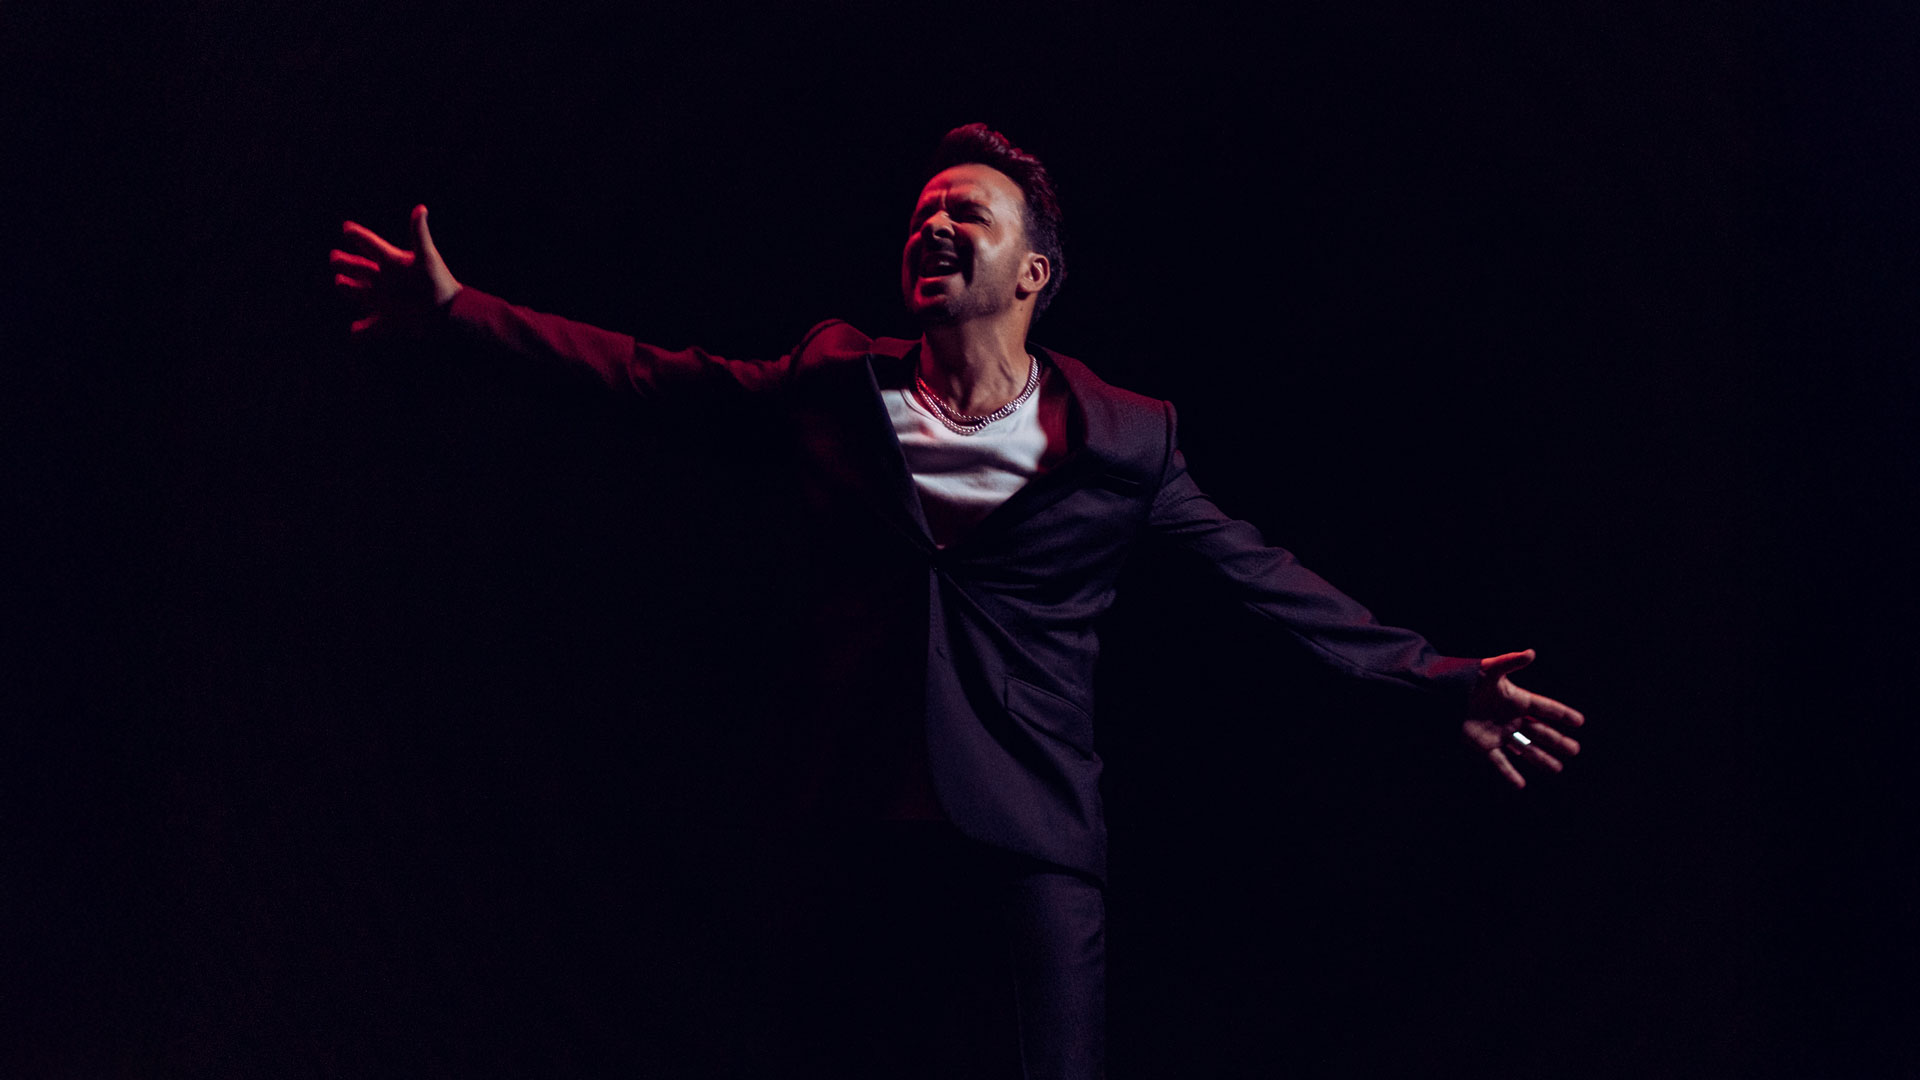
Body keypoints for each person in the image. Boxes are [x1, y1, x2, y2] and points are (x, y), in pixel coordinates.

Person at [330, 123, 1584, 1079]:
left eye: (964, 212)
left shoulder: (1125, 440)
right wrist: (461, 313)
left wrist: (1436, 680)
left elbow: (1265, 579)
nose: (932, 224)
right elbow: (653, 381)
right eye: (922, 211)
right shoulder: (837, 381)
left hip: (1031, 837)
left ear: (1032, 270)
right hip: (855, 824)